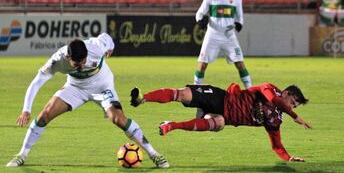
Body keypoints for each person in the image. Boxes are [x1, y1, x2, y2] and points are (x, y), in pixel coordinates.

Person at [6, 33, 169, 168]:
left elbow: (108, 38)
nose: (82, 66)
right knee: (44, 115)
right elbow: (37, 81)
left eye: (84, 62)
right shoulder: (57, 61)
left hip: (102, 86)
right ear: (68, 57)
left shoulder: (96, 47)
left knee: (119, 119)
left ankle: (154, 154)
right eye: (77, 64)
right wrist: (26, 109)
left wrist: (111, 47)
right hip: (75, 88)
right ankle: (21, 155)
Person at [130, 82, 312, 162]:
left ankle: (171, 125)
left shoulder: (275, 120)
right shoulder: (269, 88)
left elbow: (276, 145)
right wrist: (296, 118)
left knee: (218, 123)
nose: (292, 108)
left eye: (295, 107)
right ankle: (142, 98)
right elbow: (274, 100)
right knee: (182, 94)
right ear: (286, 94)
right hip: (220, 99)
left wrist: (288, 157)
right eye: (293, 103)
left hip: (224, 116)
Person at [194, 0, 252, 118]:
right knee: (202, 64)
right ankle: (195, 96)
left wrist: (239, 24)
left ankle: (252, 94)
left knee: (240, 64)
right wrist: (200, 21)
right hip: (212, 35)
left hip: (228, 35)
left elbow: (240, 17)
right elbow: (200, 12)